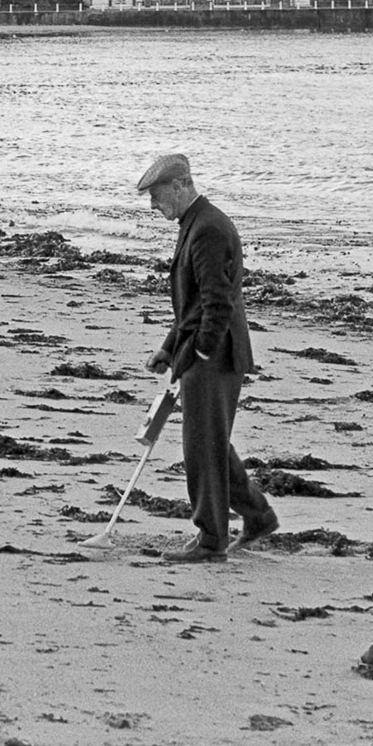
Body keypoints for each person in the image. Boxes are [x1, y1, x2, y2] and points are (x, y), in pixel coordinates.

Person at [136, 153, 277, 562]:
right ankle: (258, 515)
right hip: (205, 350)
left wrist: (198, 351)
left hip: (215, 356)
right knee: (212, 443)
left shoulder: (209, 229)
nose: (153, 205)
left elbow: (218, 304)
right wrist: (168, 347)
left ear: (181, 186)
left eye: (157, 195)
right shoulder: (194, 224)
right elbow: (194, 304)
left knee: (202, 449)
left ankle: (211, 539)